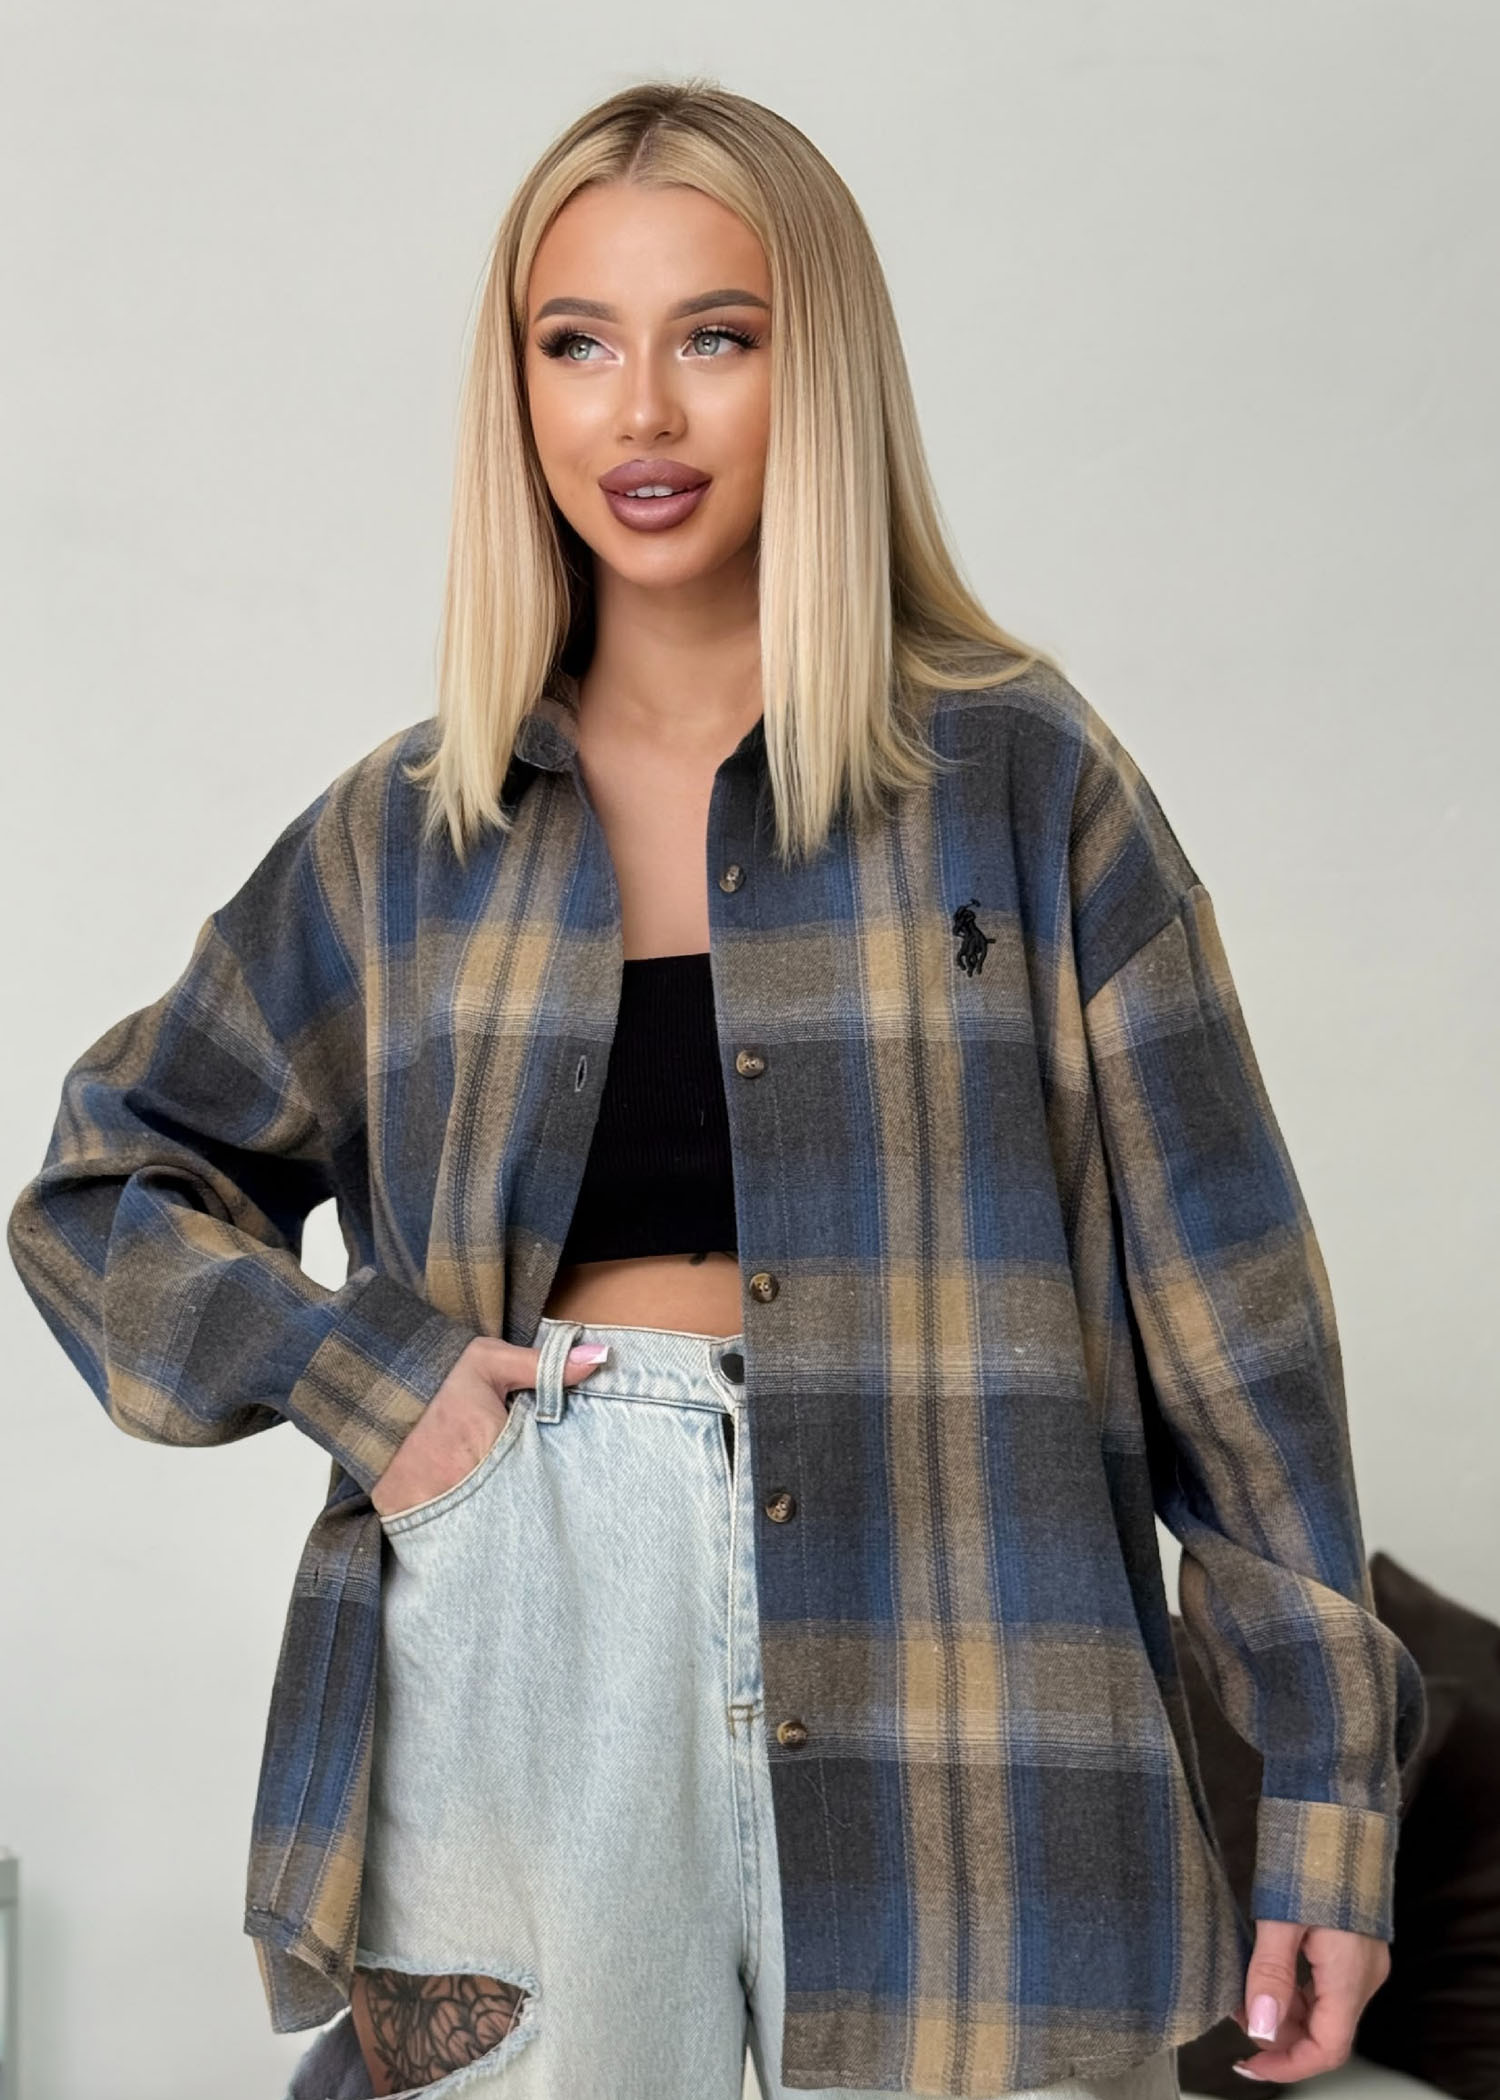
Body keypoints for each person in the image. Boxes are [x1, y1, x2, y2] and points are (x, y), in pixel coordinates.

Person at [6, 77, 1427, 2100]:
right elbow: (103, 1190)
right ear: (519, 392)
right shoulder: (408, 841)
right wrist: (369, 1381)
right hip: (528, 1641)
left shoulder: (1025, 782)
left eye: (718, 338)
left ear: (815, 373)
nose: (643, 414)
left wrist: (1331, 1808)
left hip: (970, 1675)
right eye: (577, 344)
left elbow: (1237, 1322)